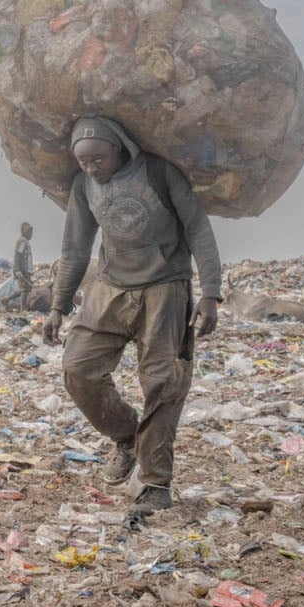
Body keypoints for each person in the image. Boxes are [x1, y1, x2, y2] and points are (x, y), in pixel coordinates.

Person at [41, 117, 222, 513]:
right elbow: (74, 247)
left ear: (121, 147)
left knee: (163, 384)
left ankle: (156, 484)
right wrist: (58, 305)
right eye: (84, 162)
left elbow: (198, 229)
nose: (93, 168)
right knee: (77, 368)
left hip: (164, 287)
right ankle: (126, 437)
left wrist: (211, 293)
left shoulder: (158, 173)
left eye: (99, 159)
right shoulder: (83, 185)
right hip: (109, 287)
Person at [2, 222, 34, 311]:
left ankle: (7, 299)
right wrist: (17, 270)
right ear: (25, 232)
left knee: (27, 288)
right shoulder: (22, 241)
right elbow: (17, 256)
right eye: (29, 232)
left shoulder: (25, 242)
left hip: (26, 270)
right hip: (22, 270)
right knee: (25, 288)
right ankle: (22, 308)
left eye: (31, 232)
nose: (31, 235)